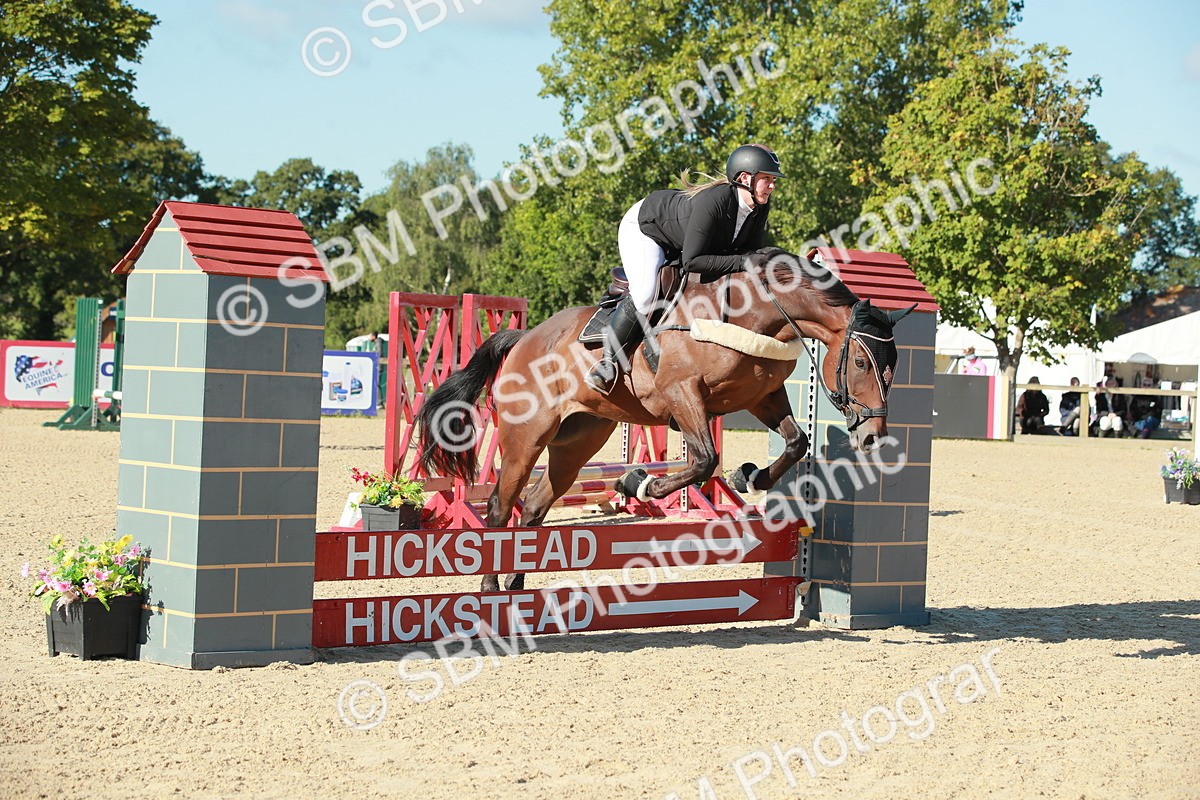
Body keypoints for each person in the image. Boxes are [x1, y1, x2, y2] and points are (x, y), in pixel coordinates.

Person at [584, 143, 784, 394]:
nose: (773, 185)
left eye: (773, 179)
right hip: (647, 229)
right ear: (745, 178)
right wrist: (745, 262)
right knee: (646, 294)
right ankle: (606, 363)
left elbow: (749, 256)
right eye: (767, 179)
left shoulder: (759, 206)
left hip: (682, 238)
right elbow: (693, 261)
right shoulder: (715, 202)